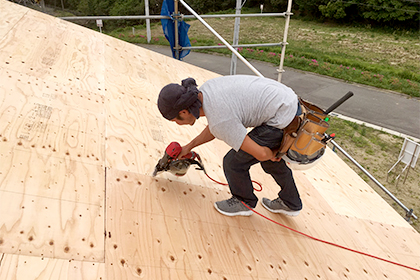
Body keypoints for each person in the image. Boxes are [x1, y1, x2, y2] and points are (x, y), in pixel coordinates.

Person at [157, 75, 302, 217]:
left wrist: (274, 154)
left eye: (176, 120)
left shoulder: (219, 119)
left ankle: (244, 202)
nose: (178, 124)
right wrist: (188, 147)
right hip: (287, 100)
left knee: (233, 163)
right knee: (268, 163)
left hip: (282, 116)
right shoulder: (206, 91)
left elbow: (261, 154)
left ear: (183, 111)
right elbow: (216, 126)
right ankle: (291, 202)